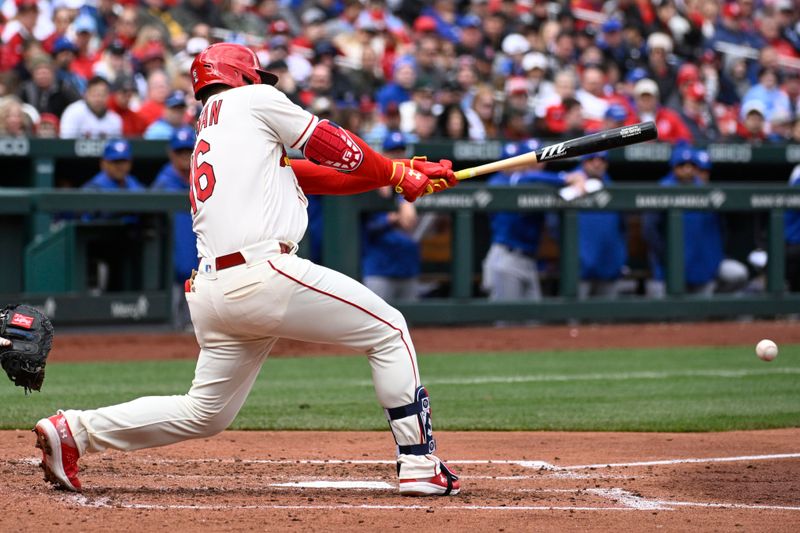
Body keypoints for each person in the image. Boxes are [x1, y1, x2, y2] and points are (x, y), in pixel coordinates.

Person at [34, 43, 460, 498]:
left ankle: (74, 431)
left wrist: (400, 169)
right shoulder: (251, 101)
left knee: (205, 412)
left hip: (215, 291)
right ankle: (419, 463)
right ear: (241, 75)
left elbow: (311, 174)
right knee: (388, 329)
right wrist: (396, 176)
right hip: (263, 273)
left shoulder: (214, 129)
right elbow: (330, 145)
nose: (261, 83)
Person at [481, 139, 586, 304]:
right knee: (507, 323)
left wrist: (575, 179)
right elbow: (527, 178)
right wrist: (566, 177)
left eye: (540, 159)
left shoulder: (538, 181)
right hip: (507, 257)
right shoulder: (505, 181)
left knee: (533, 322)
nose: (537, 164)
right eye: (532, 160)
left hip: (529, 259)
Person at [362, 132, 421, 301]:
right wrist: (392, 219)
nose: (397, 156)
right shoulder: (371, 184)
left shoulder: (409, 186)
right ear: (384, 155)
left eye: (401, 152)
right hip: (379, 268)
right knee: (377, 323)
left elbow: (411, 220)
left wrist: (404, 202)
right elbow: (364, 227)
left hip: (408, 267)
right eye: (393, 152)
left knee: (409, 325)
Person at [151, 126, 198, 330]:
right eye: (180, 151)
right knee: (170, 328)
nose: (185, 156)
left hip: (199, 269)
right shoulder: (163, 182)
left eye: (189, 150)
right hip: (171, 270)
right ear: (171, 153)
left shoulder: (203, 179)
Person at [572, 152, 627, 300]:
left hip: (609, 266)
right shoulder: (571, 184)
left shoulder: (612, 188)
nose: (597, 163)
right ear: (584, 162)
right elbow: (555, 228)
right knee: (574, 320)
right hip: (579, 268)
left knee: (606, 320)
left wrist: (619, 259)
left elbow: (622, 228)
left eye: (602, 160)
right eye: (591, 159)